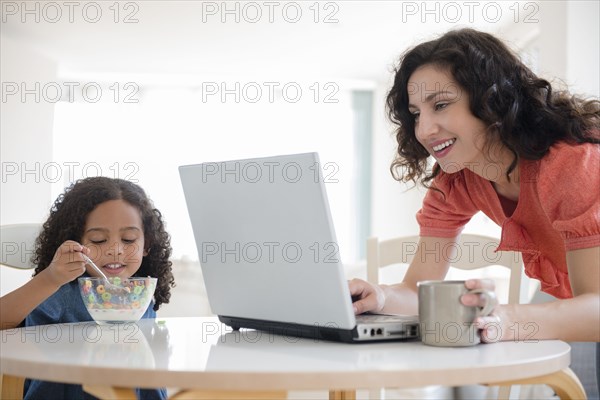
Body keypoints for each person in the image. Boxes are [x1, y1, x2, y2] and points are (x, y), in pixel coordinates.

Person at [349, 28, 600, 344]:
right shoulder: (456, 182)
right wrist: (382, 297)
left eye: (440, 105)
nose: (424, 130)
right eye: (415, 114)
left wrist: (503, 317)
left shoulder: (573, 164)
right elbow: (417, 291)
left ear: (491, 99)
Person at [0, 176, 175, 400]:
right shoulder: (61, 294)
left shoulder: (140, 296)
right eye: (99, 240)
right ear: (75, 243)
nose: (115, 250)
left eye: (129, 239)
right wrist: (50, 279)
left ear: (147, 244)